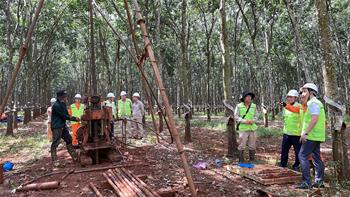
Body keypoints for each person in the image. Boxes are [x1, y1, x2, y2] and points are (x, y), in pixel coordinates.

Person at [296, 83, 326, 189]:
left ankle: (306, 182)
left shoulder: (313, 103)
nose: (303, 94)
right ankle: (319, 181)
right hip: (317, 136)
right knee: (316, 158)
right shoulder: (316, 103)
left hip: (311, 136)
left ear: (311, 92)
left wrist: (305, 133)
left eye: (305, 91)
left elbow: (314, 118)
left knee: (302, 156)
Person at [51, 90, 80, 167]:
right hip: (57, 127)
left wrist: (74, 118)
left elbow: (67, 114)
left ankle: (75, 157)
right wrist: (75, 119)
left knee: (69, 140)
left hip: (63, 126)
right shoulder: (56, 105)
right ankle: (55, 161)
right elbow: (63, 116)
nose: (65, 96)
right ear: (60, 96)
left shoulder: (63, 104)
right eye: (64, 95)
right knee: (55, 143)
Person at [279, 89, 302, 171]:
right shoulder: (285, 107)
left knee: (298, 152)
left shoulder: (299, 106)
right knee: (284, 150)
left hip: (296, 134)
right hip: (286, 133)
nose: (289, 98)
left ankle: (296, 165)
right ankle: (283, 164)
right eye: (288, 97)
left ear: (295, 98)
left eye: (291, 97)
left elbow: (294, 110)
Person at [234, 91, 258, 163]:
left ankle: (252, 160)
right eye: (247, 97)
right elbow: (236, 116)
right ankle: (241, 161)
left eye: (250, 97)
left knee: (252, 145)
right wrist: (244, 121)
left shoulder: (254, 106)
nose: (249, 98)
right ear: (243, 98)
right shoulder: (239, 106)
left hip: (252, 128)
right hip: (243, 129)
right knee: (241, 145)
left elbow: (256, 115)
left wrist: (253, 120)